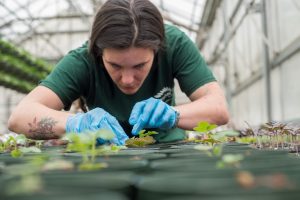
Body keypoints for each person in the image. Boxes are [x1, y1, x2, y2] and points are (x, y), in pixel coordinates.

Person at [8, 0, 229, 145]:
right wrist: (76, 123)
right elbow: (20, 117)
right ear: (98, 52)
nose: (128, 80)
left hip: (168, 147)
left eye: (140, 65)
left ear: (158, 49)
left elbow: (218, 108)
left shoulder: (175, 44)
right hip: (105, 154)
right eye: (114, 65)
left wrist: (174, 115)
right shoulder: (82, 60)